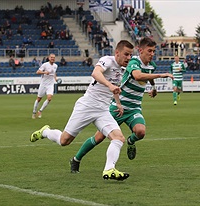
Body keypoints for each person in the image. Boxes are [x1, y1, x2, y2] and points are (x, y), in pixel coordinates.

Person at [30, 40, 134, 181]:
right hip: (87, 106)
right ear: (117, 53)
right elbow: (95, 73)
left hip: (102, 110)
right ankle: (45, 132)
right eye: (126, 54)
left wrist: (118, 103)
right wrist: (109, 85)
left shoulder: (122, 69)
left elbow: (115, 87)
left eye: (130, 55)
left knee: (119, 138)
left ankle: (109, 169)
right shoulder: (107, 61)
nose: (128, 58)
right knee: (64, 141)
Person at [70, 37, 174, 173]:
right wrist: (162, 76)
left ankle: (131, 141)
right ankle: (76, 159)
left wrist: (153, 88)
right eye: (149, 51)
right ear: (140, 50)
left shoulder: (151, 65)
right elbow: (137, 76)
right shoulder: (133, 62)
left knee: (140, 132)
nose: (152, 54)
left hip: (134, 107)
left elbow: (148, 74)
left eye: (154, 51)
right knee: (99, 137)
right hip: (119, 106)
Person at [31, 53, 58, 119]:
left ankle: (40, 111)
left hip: (50, 84)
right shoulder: (45, 65)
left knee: (49, 98)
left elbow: (54, 73)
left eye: (53, 57)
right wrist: (44, 72)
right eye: (51, 57)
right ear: (49, 58)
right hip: (43, 84)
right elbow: (37, 72)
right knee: (39, 99)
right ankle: (34, 112)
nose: (52, 58)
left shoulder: (55, 66)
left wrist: (55, 78)